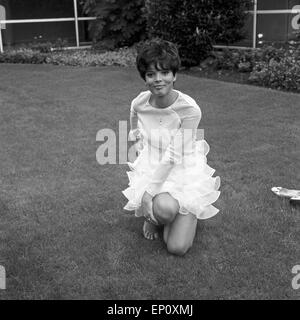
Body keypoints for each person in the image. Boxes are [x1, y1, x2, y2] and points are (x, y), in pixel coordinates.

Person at [122, 39, 221, 256]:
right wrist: (137, 141)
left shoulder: (189, 109)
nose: (158, 80)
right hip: (153, 164)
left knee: (176, 247)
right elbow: (133, 119)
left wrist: (148, 195)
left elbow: (174, 156)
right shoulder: (139, 102)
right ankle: (157, 218)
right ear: (145, 79)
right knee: (165, 210)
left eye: (164, 72)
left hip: (182, 168)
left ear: (174, 75)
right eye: (150, 74)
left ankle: (174, 215)